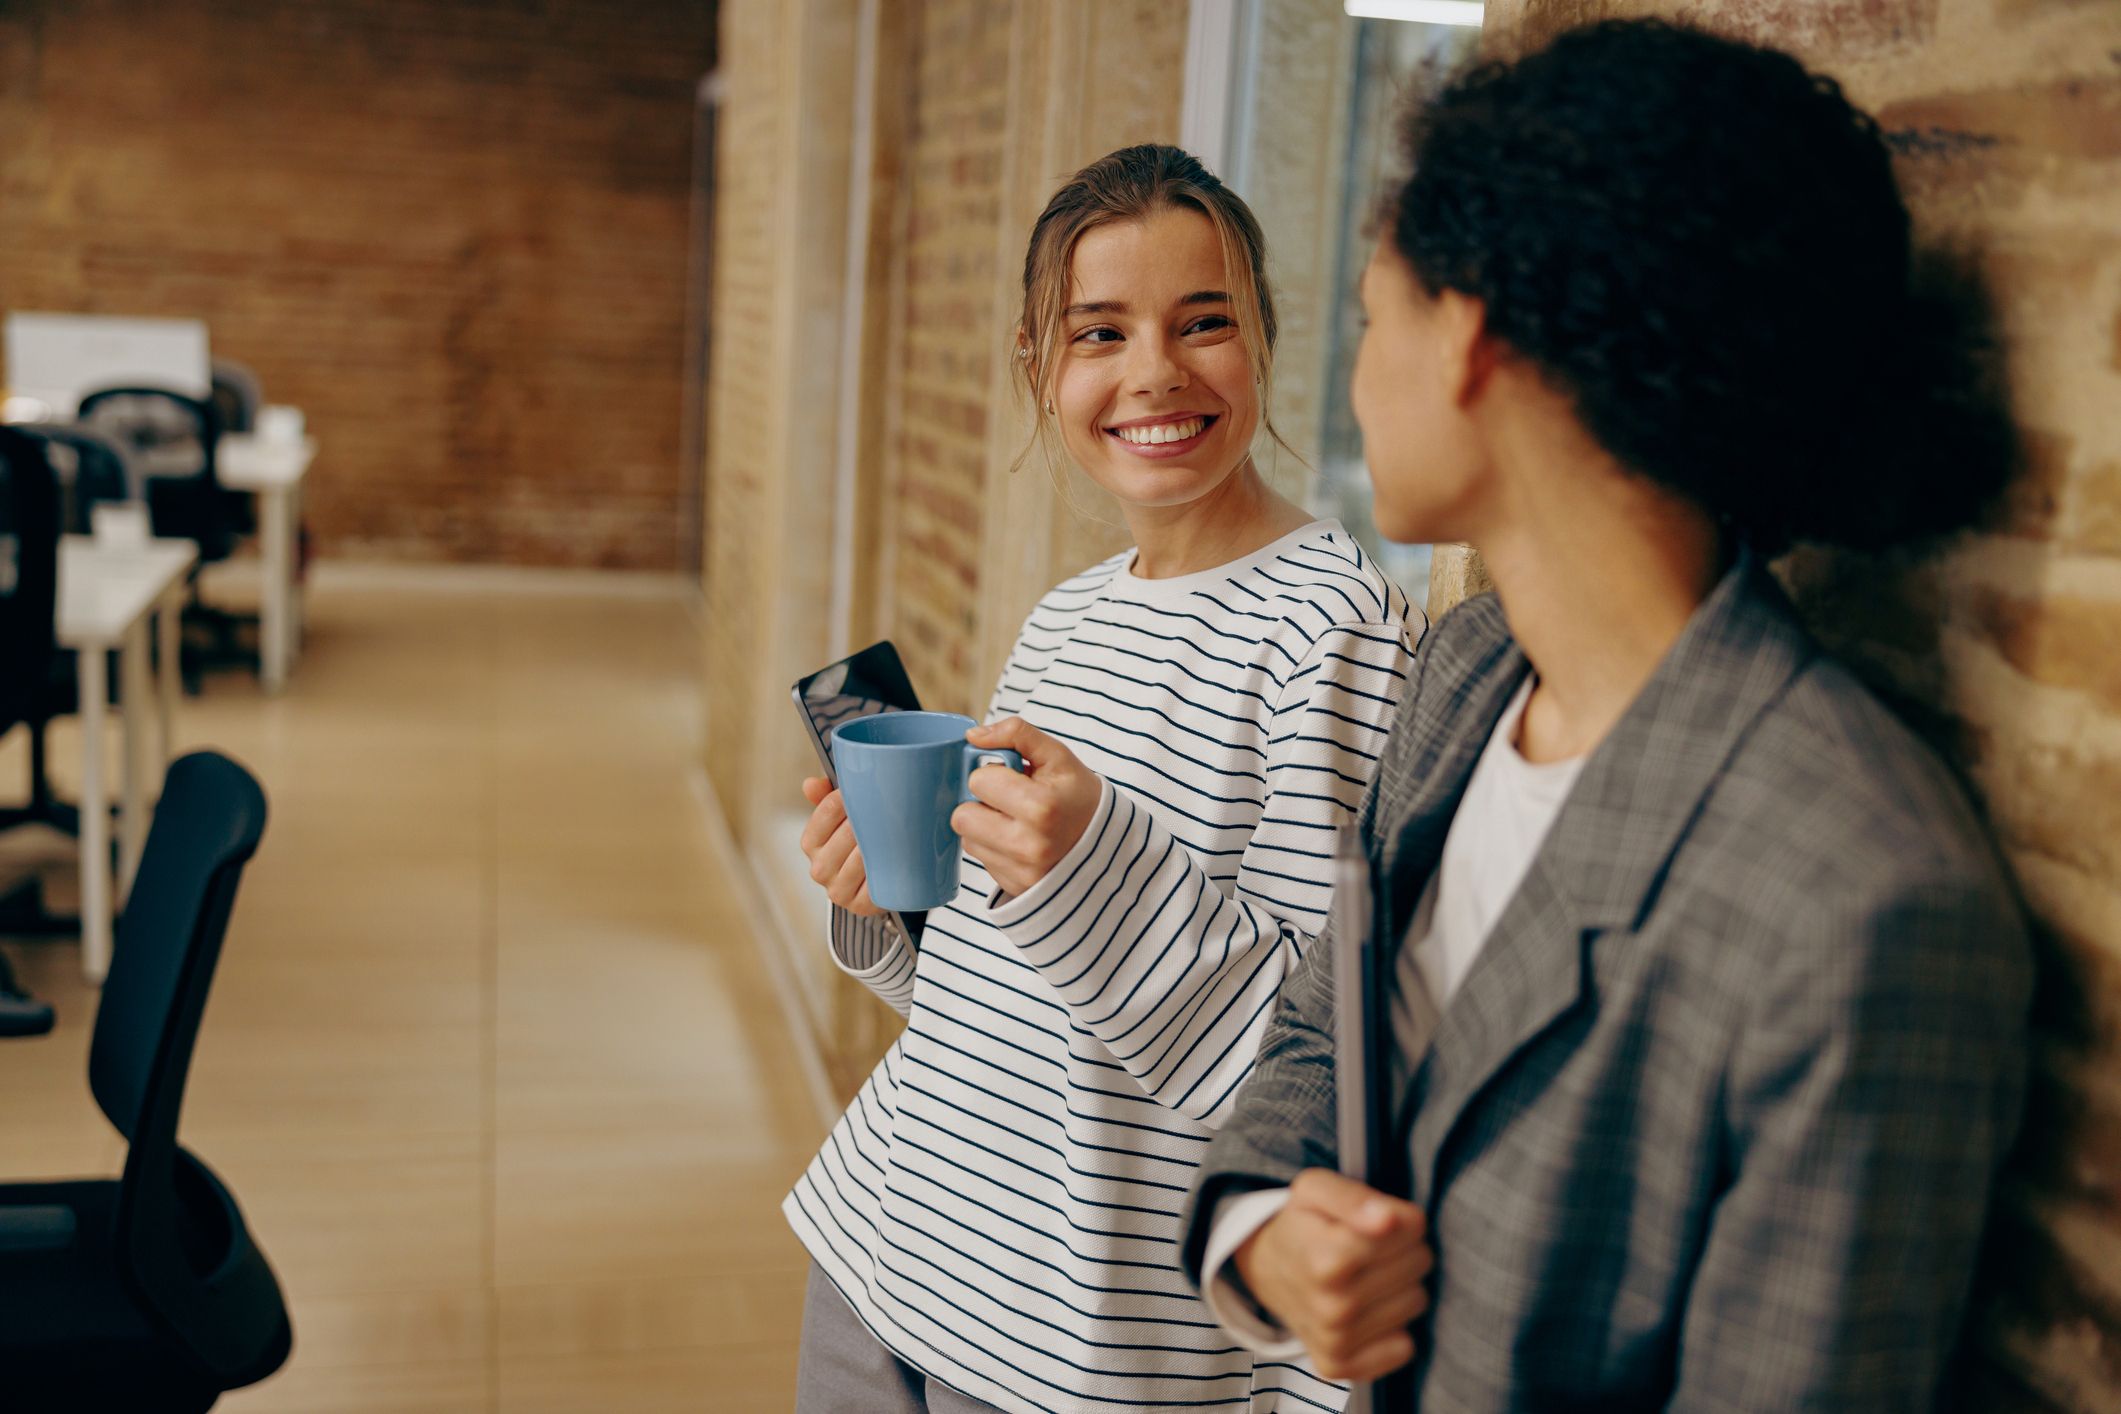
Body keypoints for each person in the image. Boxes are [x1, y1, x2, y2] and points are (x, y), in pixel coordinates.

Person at [1180, 20, 2032, 1410]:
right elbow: (1324, 1029)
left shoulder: (1865, 903)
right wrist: (1262, 1227)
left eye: (1364, 315)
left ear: (1472, 338)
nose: (1349, 369)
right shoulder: (1463, 671)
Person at [786, 144, 1421, 1413]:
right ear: (1042, 366)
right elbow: (1012, 993)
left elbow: (1308, 1065)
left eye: (1205, 323)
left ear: (1265, 344)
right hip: (885, 1249)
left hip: (1082, 1349)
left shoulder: (1334, 630)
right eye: (1100, 333)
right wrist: (880, 906)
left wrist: (1089, 869)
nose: (1153, 374)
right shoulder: (1067, 617)